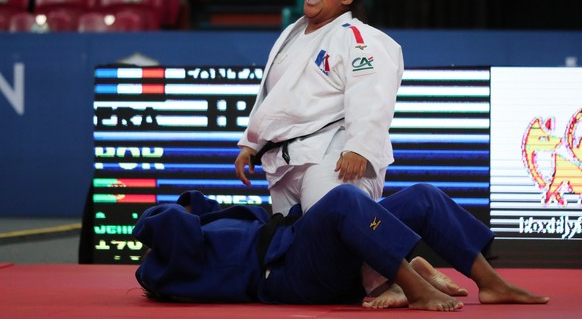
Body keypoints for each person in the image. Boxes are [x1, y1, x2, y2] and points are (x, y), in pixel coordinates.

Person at [133, 183, 549, 311]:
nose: (183, 213)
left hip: (296, 244)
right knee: (344, 200)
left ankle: (490, 282)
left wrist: (195, 206)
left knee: (422, 196)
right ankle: (413, 284)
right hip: (284, 274)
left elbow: (196, 209)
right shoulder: (165, 265)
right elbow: (168, 225)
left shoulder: (209, 227)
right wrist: (158, 221)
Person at [235, 0, 404, 216]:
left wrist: (359, 147)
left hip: (334, 154)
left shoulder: (356, 36)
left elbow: (371, 93)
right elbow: (273, 95)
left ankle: (401, 250)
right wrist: (252, 143)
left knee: (332, 232)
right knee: (297, 249)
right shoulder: (291, 33)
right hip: (286, 160)